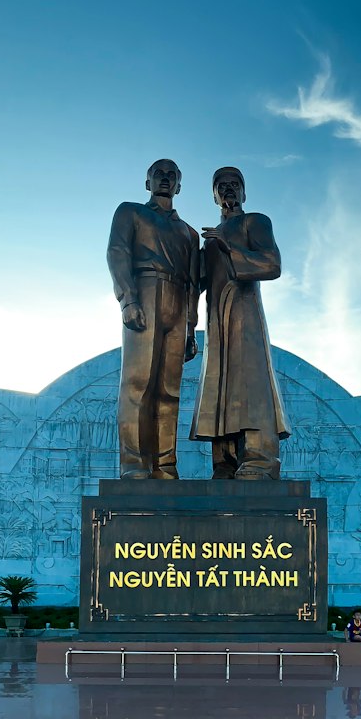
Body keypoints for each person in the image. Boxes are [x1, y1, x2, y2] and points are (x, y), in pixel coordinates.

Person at [190, 166, 290, 480]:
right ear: (214, 195)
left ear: (244, 192)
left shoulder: (255, 221)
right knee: (220, 384)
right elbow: (196, 282)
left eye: (235, 184)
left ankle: (260, 460)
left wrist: (228, 246)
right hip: (217, 320)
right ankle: (225, 462)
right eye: (221, 185)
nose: (228, 189)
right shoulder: (210, 239)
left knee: (251, 382)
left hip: (245, 316)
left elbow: (271, 264)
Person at [107, 159, 200, 479]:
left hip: (177, 300)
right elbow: (118, 253)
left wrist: (191, 328)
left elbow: (193, 282)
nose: (165, 179)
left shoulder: (189, 232)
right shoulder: (131, 212)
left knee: (168, 390)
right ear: (147, 183)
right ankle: (134, 464)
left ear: (179, 186)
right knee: (138, 383)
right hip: (145, 291)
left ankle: (164, 465)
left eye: (172, 175)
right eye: (158, 174)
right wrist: (128, 299)